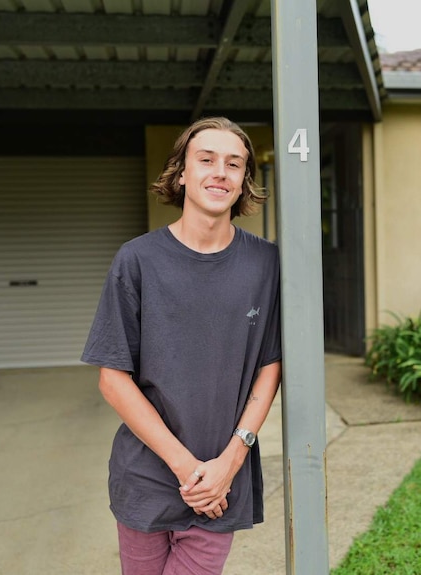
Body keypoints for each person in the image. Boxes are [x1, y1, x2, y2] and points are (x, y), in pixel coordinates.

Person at [81, 116, 282, 575]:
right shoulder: (137, 260)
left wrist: (231, 461)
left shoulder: (266, 263)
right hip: (147, 478)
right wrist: (187, 468)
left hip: (222, 483)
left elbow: (269, 366)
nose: (220, 172)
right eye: (206, 159)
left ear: (244, 181)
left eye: (234, 164)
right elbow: (113, 378)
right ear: (182, 173)